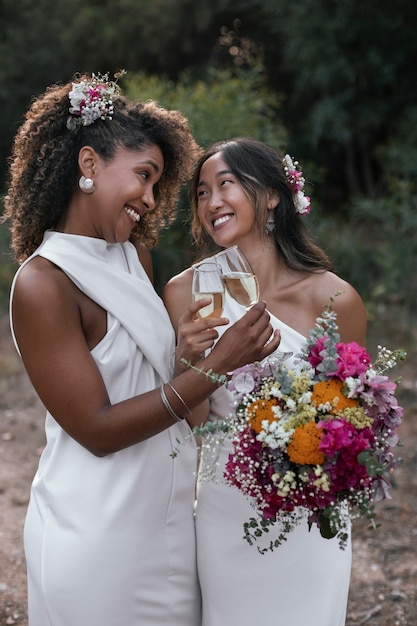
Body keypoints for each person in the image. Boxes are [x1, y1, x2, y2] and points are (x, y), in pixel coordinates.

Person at [2, 77, 281, 626]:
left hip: (171, 525)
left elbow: (157, 381)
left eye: (156, 184)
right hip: (96, 535)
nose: (151, 201)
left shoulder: (134, 257)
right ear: (88, 164)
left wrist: (188, 354)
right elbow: (98, 429)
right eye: (145, 177)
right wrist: (216, 365)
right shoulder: (43, 283)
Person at [163, 137, 367, 626]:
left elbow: (352, 422)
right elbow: (189, 422)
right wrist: (188, 357)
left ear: (273, 195)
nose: (212, 202)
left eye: (226, 184)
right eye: (201, 192)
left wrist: (306, 456)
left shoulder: (334, 298)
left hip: (310, 512)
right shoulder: (185, 291)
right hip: (225, 509)